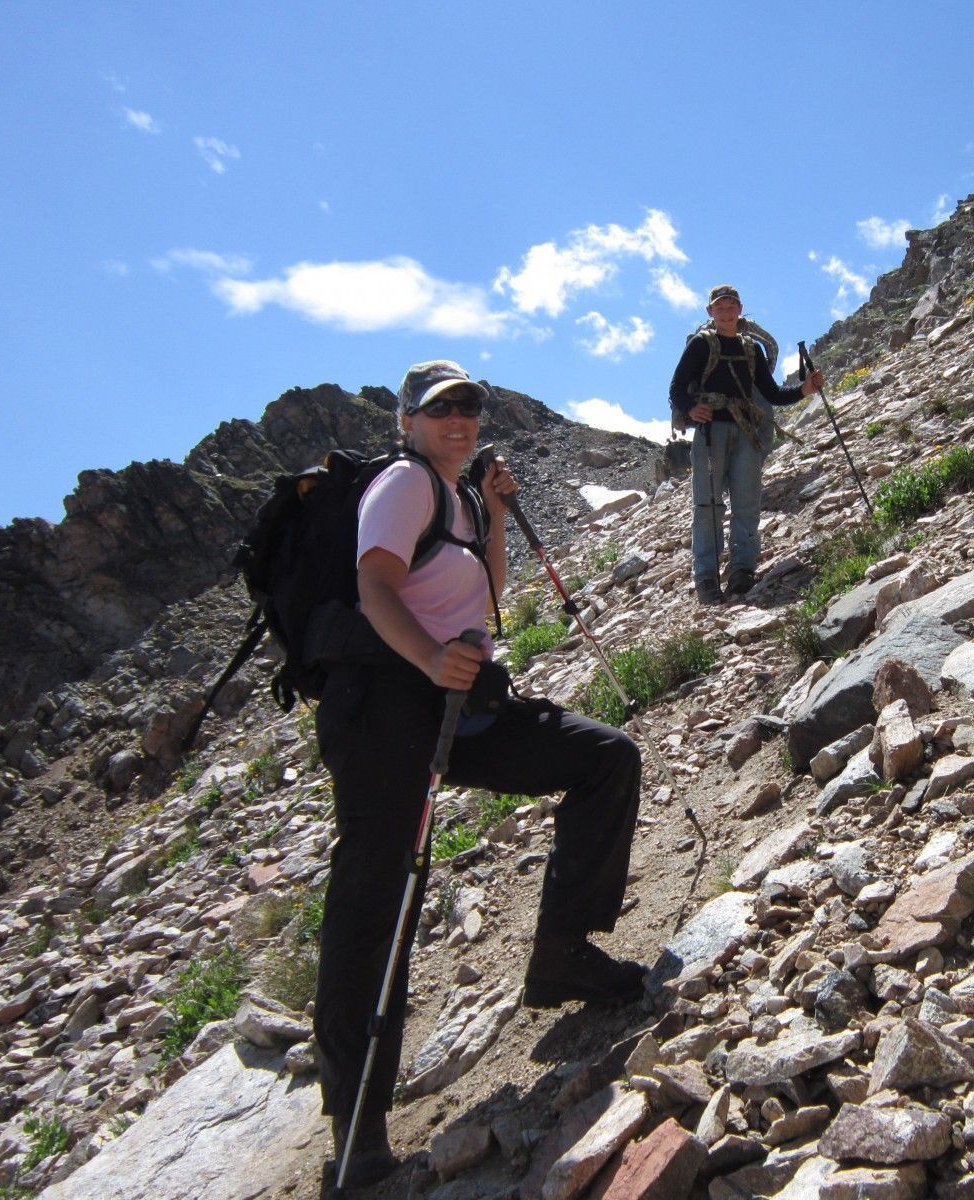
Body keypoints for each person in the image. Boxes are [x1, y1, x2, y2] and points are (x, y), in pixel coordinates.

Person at [313, 360, 645, 1188]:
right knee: (378, 898)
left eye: (470, 406)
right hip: (388, 707)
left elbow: (489, 592)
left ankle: (563, 956)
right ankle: (356, 1127)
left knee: (604, 755)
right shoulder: (401, 483)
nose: (460, 419)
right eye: (442, 409)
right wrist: (429, 659)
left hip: (457, 701)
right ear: (408, 421)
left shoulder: (458, 496)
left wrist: (494, 513)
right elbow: (374, 586)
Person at [669, 284, 822, 603]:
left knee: (746, 501)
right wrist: (689, 408)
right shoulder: (700, 345)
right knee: (707, 504)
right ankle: (707, 577)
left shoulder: (752, 349)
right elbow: (677, 386)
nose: (725, 313)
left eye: (730, 307)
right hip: (711, 431)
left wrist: (804, 390)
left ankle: (742, 571)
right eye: (719, 308)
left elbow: (772, 393)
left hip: (744, 431)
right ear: (710, 312)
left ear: (739, 310)